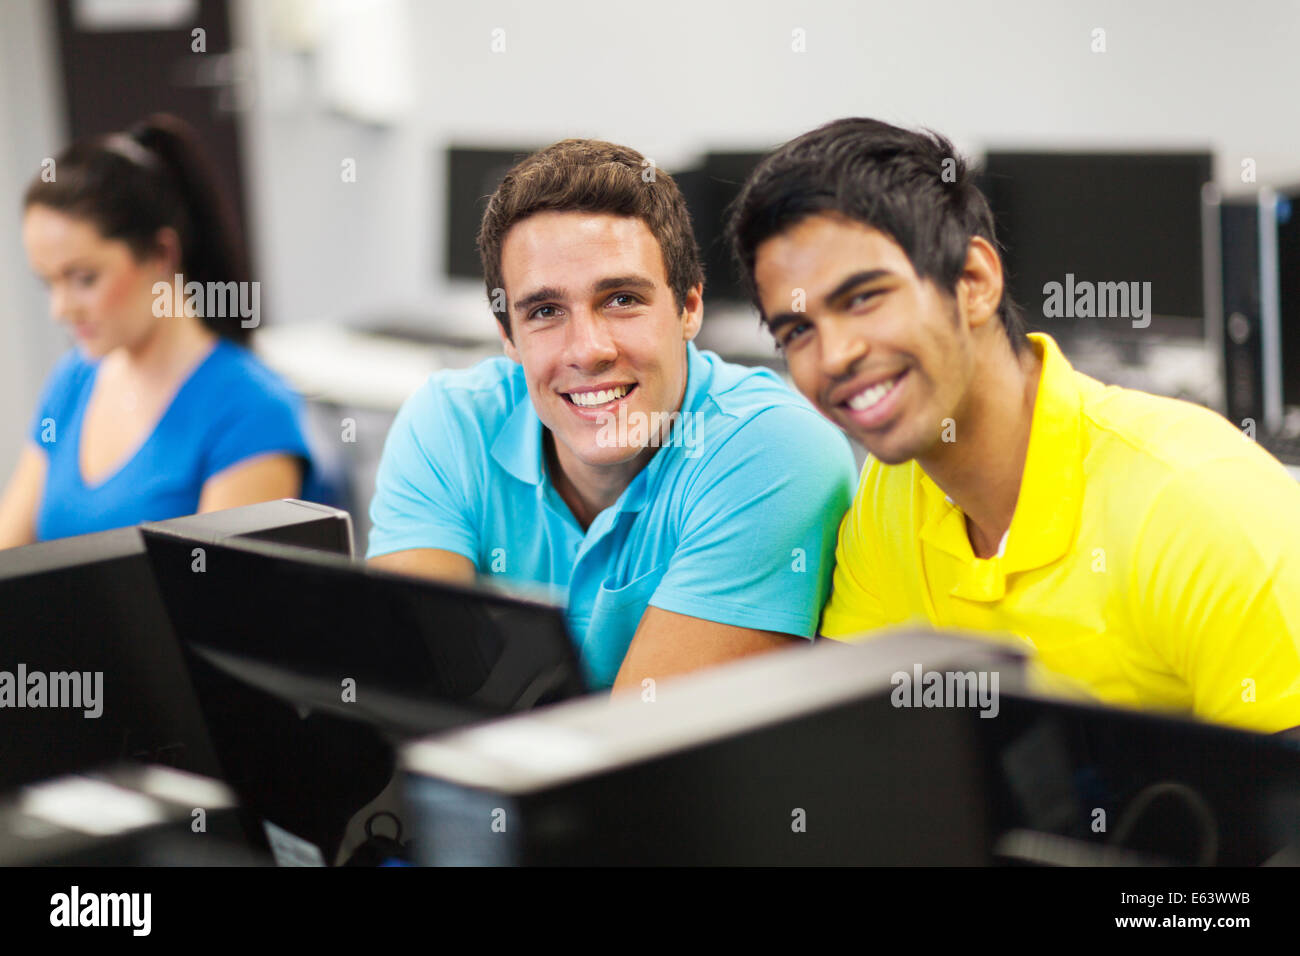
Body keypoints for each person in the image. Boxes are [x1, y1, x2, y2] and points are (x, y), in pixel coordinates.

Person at [726, 117, 1300, 734]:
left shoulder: (1199, 504)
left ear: (973, 282)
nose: (835, 356)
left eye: (863, 298)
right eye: (798, 330)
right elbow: (854, 743)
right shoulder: (890, 499)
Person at [367, 138, 857, 691]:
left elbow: (645, 738)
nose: (588, 350)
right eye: (545, 311)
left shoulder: (773, 450)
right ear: (508, 335)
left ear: (689, 307)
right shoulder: (451, 422)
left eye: (622, 299)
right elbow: (408, 689)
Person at [0, 114, 319, 547]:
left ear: (162, 254)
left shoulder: (251, 408)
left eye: (84, 279)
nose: (60, 309)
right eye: (48, 282)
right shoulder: (72, 381)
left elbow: (217, 587)